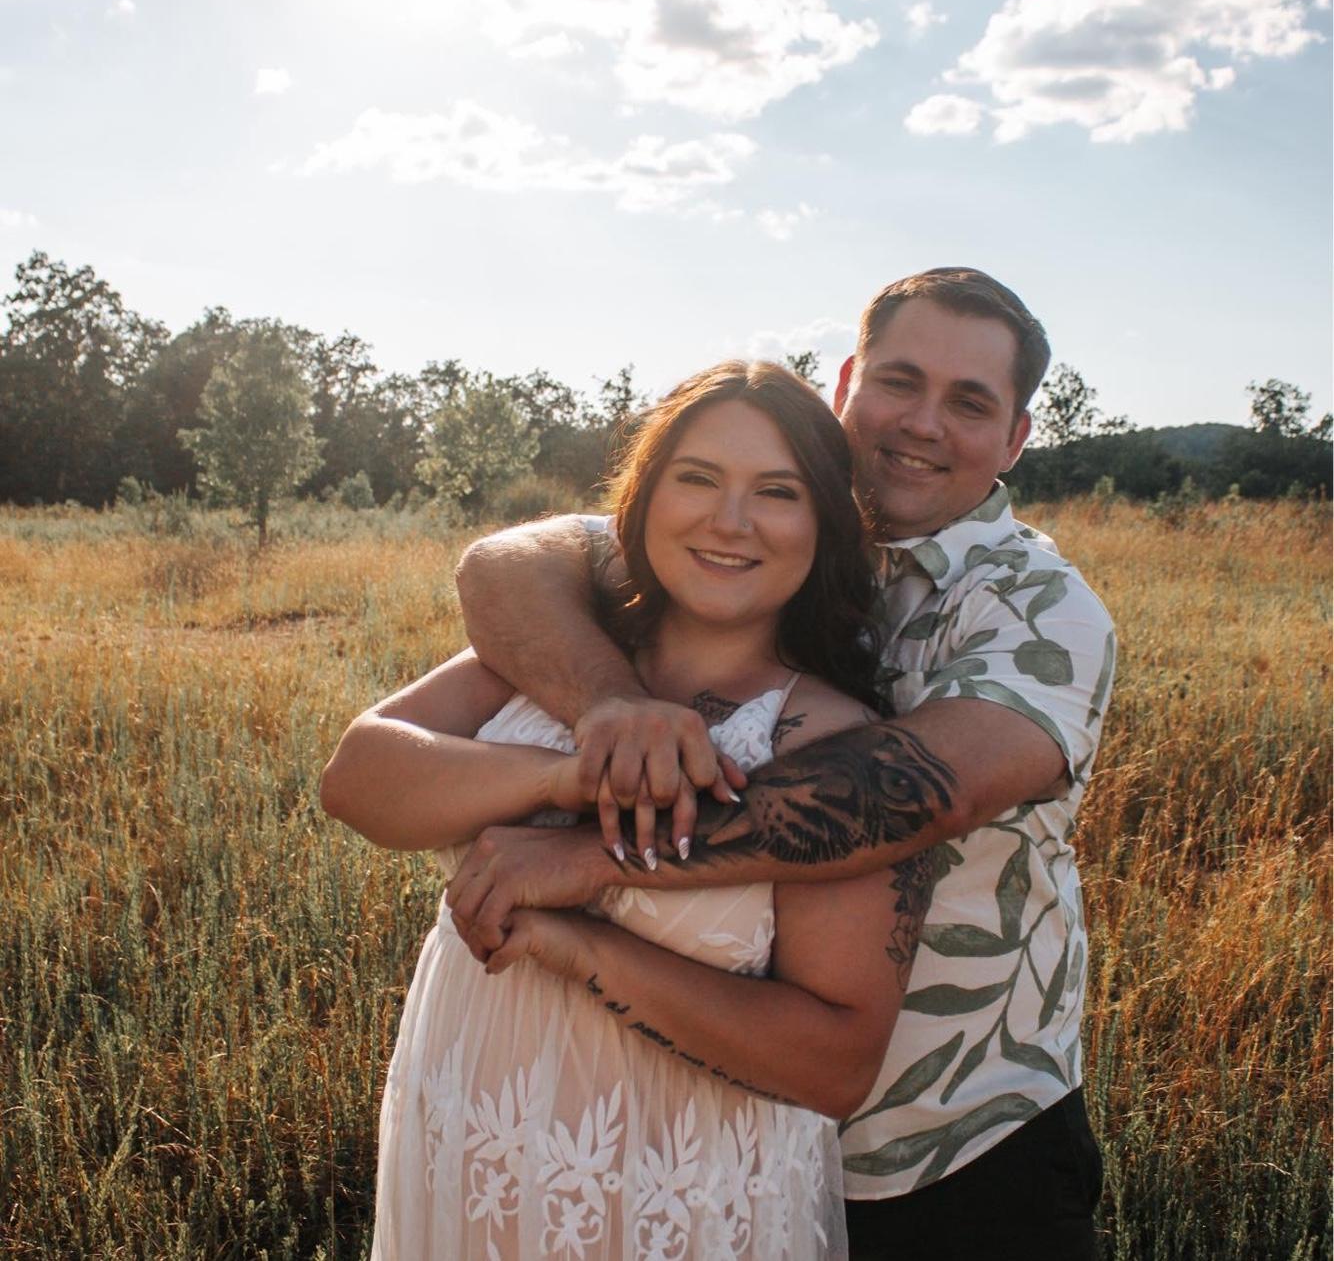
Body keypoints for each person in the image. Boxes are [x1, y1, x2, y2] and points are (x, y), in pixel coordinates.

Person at [445, 268, 1116, 1261]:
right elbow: (505, 567)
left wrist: (589, 857)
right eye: (898, 381)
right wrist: (611, 703)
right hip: (720, 1133)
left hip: (952, 1142)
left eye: (969, 403)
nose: (921, 423)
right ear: (847, 383)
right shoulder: (765, 523)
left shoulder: (1042, 613)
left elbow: (902, 795)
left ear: (1015, 437)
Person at [322, 362, 940, 1259]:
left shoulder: (831, 742)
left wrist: (580, 948)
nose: (730, 521)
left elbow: (833, 1064)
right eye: (698, 478)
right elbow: (356, 779)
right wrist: (569, 777)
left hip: (674, 1198)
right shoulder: (558, 653)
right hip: (468, 1143)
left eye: (778, 492)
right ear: (643, 500)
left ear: (824, 526)